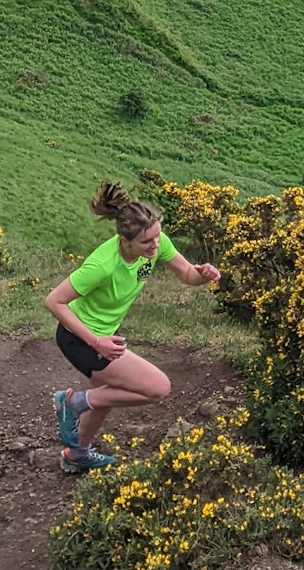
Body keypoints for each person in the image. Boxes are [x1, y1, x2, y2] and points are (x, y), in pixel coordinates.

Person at [45, 180, 221, 473]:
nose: (155, 245)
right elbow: (54, 301)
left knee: (106, 396)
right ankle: (73, 402)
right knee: (157, 387)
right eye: (146, 241)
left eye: (157, 236)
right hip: (81, 337)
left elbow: (187, 275)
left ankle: (77, 454)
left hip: (104, 334)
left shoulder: (156, 243)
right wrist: (95, 341)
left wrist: (204, 274)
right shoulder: (102, 265)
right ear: (126, 241)